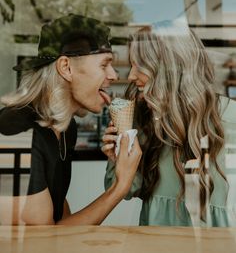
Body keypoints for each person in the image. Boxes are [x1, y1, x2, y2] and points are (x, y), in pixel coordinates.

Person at [0, 13, 142, 225]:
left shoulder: (66, 128)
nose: (113, 75)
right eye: (104, 65)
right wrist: (119, 187)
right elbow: (41, 242)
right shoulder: (14, 133)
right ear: (66, 67)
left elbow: (60, 214)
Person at [103, 20, 236, 227]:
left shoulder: (231, 117)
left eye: (139, 65)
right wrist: (118, 157)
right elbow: (127, 191)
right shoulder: (144, 118)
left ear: (169, 67)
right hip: (156, 243)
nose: (130, 75)